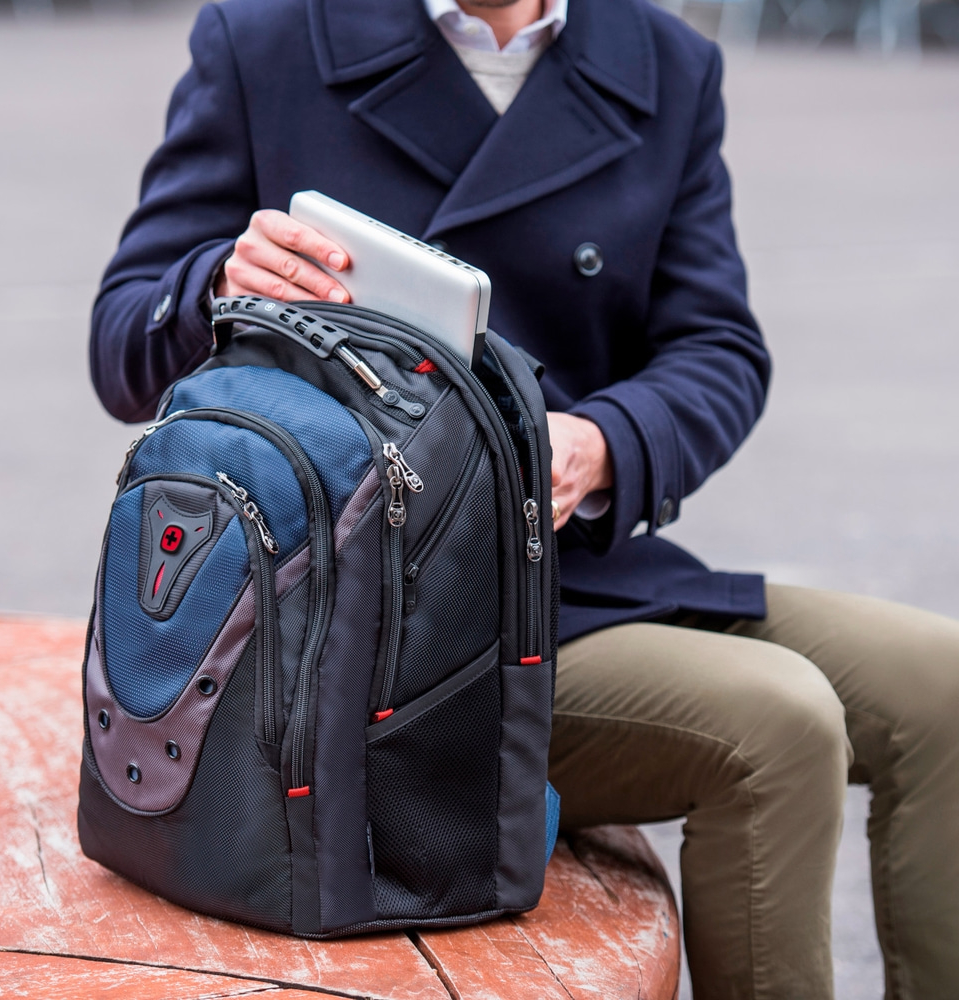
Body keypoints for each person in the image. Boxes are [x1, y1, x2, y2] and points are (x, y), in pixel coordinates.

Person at [89, 0, 959, 995]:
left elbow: (716, 347)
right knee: (779, 722)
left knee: (938, 685)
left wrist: (601, 444)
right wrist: (219, 278)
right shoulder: (269, 39)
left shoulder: (662, 62)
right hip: (368, 620)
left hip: (571, 562)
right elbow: (122, 339)